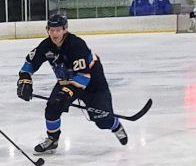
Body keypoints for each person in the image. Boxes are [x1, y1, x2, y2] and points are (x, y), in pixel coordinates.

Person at [16, 14, 129, 153]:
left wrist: (66, 93)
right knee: (53, 107)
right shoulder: (46, 46)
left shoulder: (76, 45)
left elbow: (83, 77)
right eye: (51, 30)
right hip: (67, 80)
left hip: (93, 84)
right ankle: (52, 140)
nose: (54, 34)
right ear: (47, 30)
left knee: (102, 120)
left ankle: (116, 126)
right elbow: (29, 64)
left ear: (65, 29)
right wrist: (25, 80)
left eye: (58, 30)